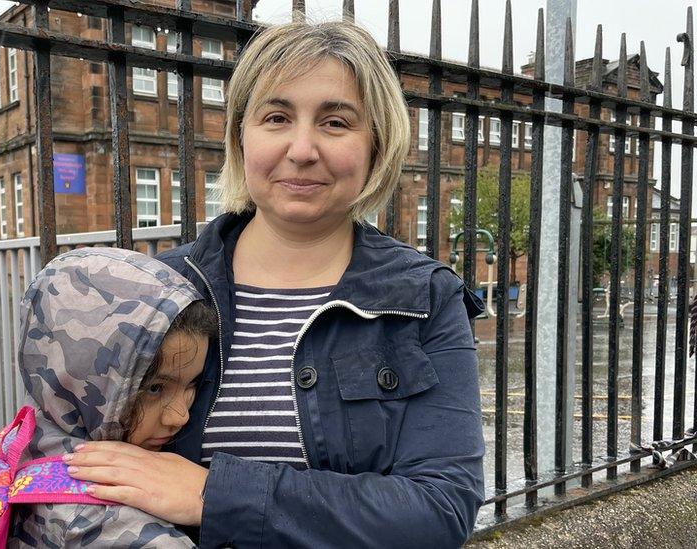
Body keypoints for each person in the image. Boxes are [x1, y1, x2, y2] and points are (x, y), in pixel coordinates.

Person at [64, 21, 486, 548]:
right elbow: (72, 464)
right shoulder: (155, 289)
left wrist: (213, 495)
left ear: (376, 144)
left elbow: (439, 511)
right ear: (241, 135)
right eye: (277, 117)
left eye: (335, 122)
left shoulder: (424, 300)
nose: (302, 148)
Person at [7, 248, 216, 548]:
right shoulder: (116, 527)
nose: (180, 416)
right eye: (155, 388)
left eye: (191, 384)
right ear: (84, 377)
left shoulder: (25, 442)